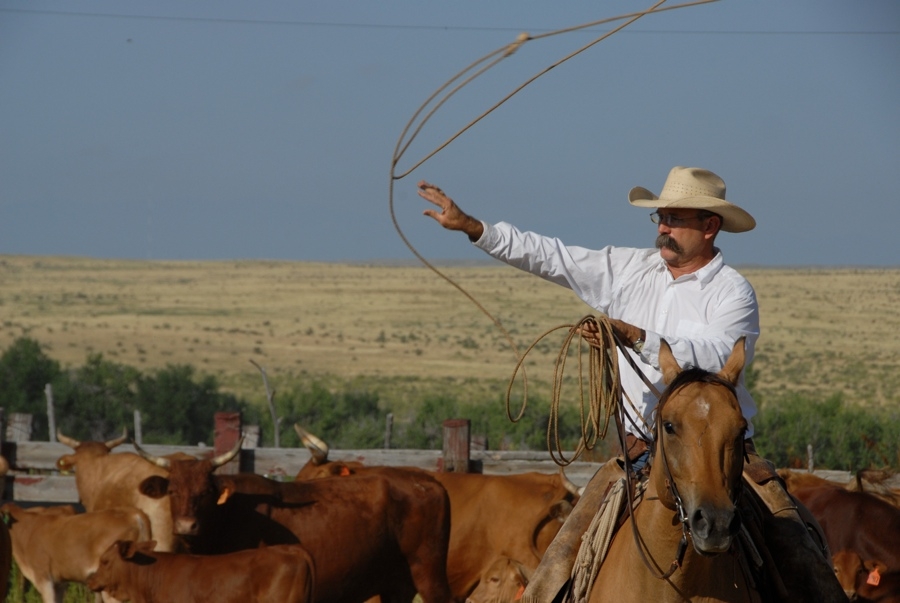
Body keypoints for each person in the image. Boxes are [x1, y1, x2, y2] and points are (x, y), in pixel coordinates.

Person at [418, 166, 846, 603]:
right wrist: (475, 228)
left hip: (721, 456)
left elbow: (718, 356)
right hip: (638, 453)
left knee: (802, 558)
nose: (663, 228)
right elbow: (554, 256)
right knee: (557, 566)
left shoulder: (732, 293)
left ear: (710, 226)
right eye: (660, 218)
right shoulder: (630, 270)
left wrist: (638, 337)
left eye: (675, 219)